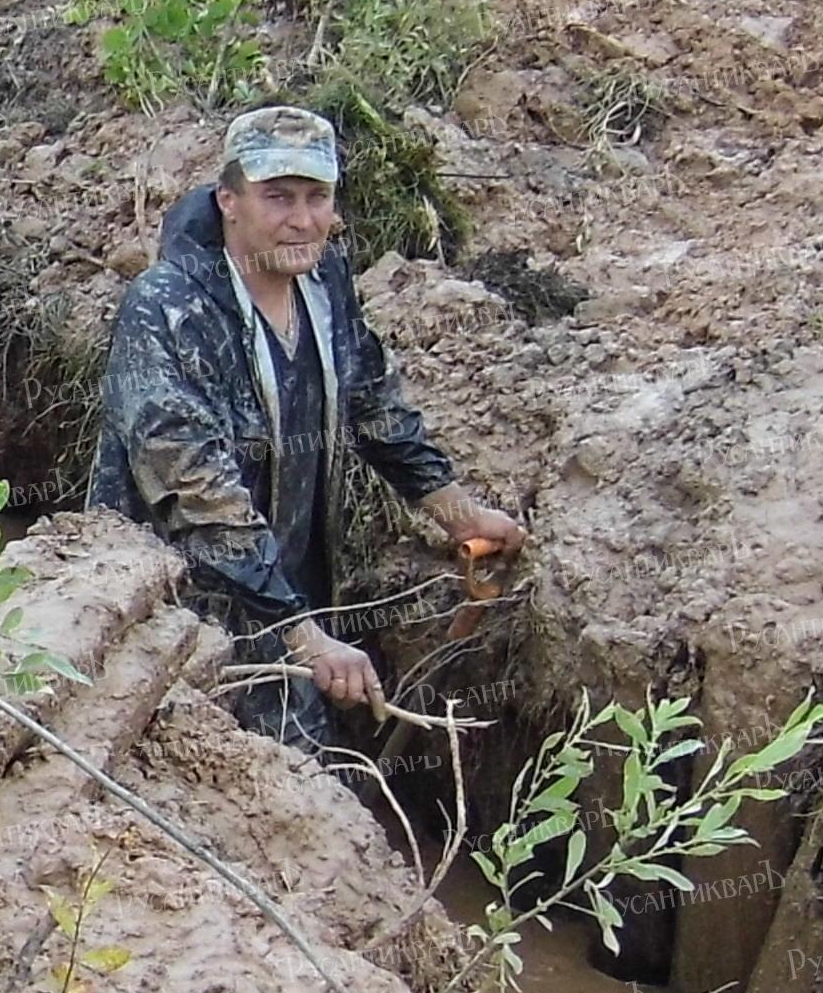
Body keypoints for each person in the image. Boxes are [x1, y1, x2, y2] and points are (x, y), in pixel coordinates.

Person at [89, 103, 526, 744]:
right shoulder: (167, 309)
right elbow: (198, 493)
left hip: (288, 597)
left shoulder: (322, 279)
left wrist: (459, 515)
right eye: (278, 197)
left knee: (309, 765)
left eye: (317, 196)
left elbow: (370, 399)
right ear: (229, 200)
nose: (302, 219)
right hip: (179, 619)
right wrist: (303, 636)